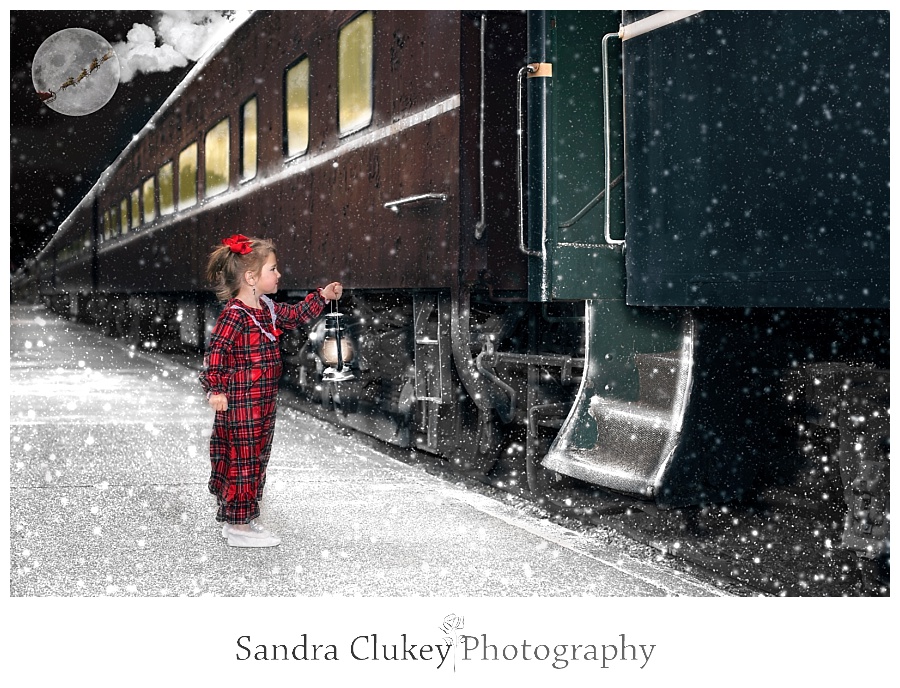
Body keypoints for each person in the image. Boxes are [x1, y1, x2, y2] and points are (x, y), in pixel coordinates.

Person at [200, 233, 342, 547]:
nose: (278, 275)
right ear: (251, 277)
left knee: (256, 459)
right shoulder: (235, 315)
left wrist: (322, 296)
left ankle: (243, 516)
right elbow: (217, 355)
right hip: (241, 403)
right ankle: (238, 526)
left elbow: (295, 316)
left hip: (262, 404)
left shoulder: (265, 308)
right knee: (243, 460)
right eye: (273, 270)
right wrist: (216, 390)